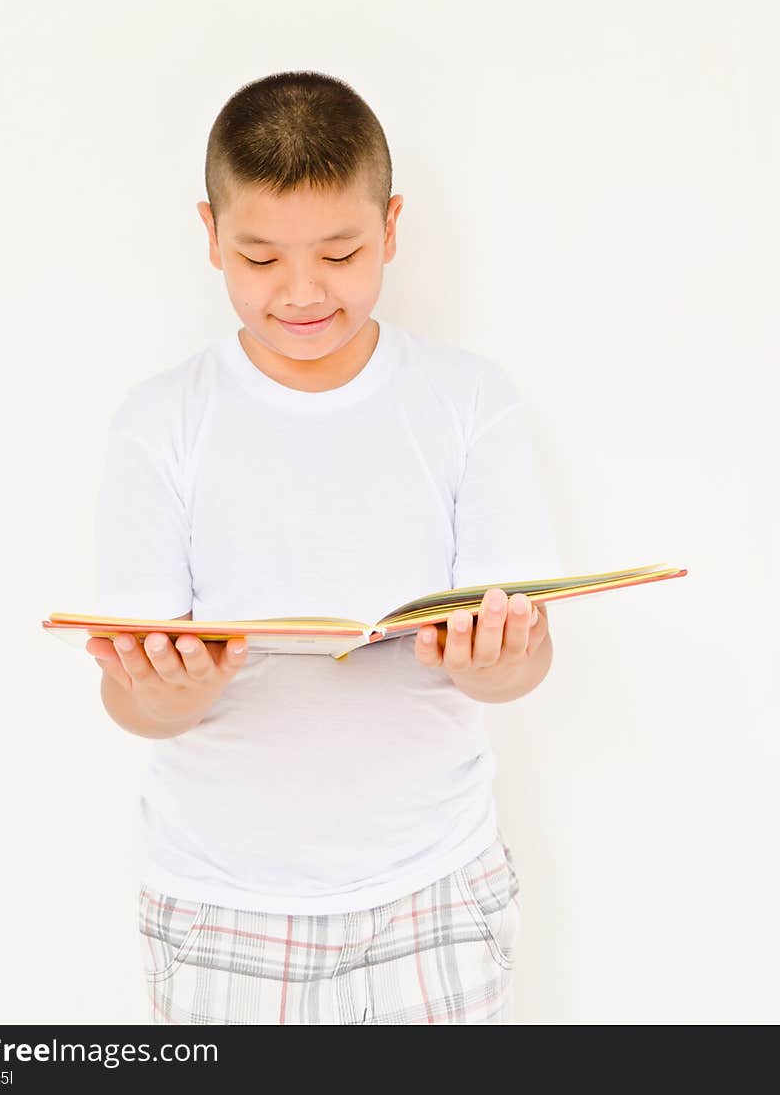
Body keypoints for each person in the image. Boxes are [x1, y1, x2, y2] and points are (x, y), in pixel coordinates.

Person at [86, 70, 563, 1026]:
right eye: (259, 259)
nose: (301, 292)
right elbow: (131, 696)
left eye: (341, 253)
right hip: (224, 903)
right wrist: (162, 696)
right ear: (211, 235)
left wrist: (500, 662)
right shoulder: (161, 423)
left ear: (390, 229)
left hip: (435, 883)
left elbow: (525, 663)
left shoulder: (468, 401)